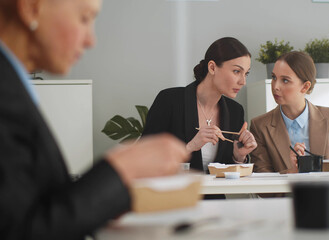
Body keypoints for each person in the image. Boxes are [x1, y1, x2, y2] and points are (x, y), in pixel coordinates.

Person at [0, 0, 189, 239]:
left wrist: (108, 195)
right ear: (30, 8)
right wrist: (121, 170)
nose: (91, 40)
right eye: (85, 18)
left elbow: (32, 205)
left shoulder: (13, 86)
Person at [142, 37, 257, 172]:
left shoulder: (235, 111)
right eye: (237, 71)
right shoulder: (170, 100)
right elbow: (143, 158)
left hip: (214, 193)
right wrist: (190, 147)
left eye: (246, 74)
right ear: (212, 67)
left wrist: (239, 156)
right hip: (174, 192)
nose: (243, 81)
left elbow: (226, 172)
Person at [250, 51, 329, 173]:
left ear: (305, 87)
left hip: (328, 192)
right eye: (274, 77)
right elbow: (264, 185)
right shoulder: (260, 126)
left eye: (285, 80)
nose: (275, 86)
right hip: (287, 193)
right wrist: (291, 172)